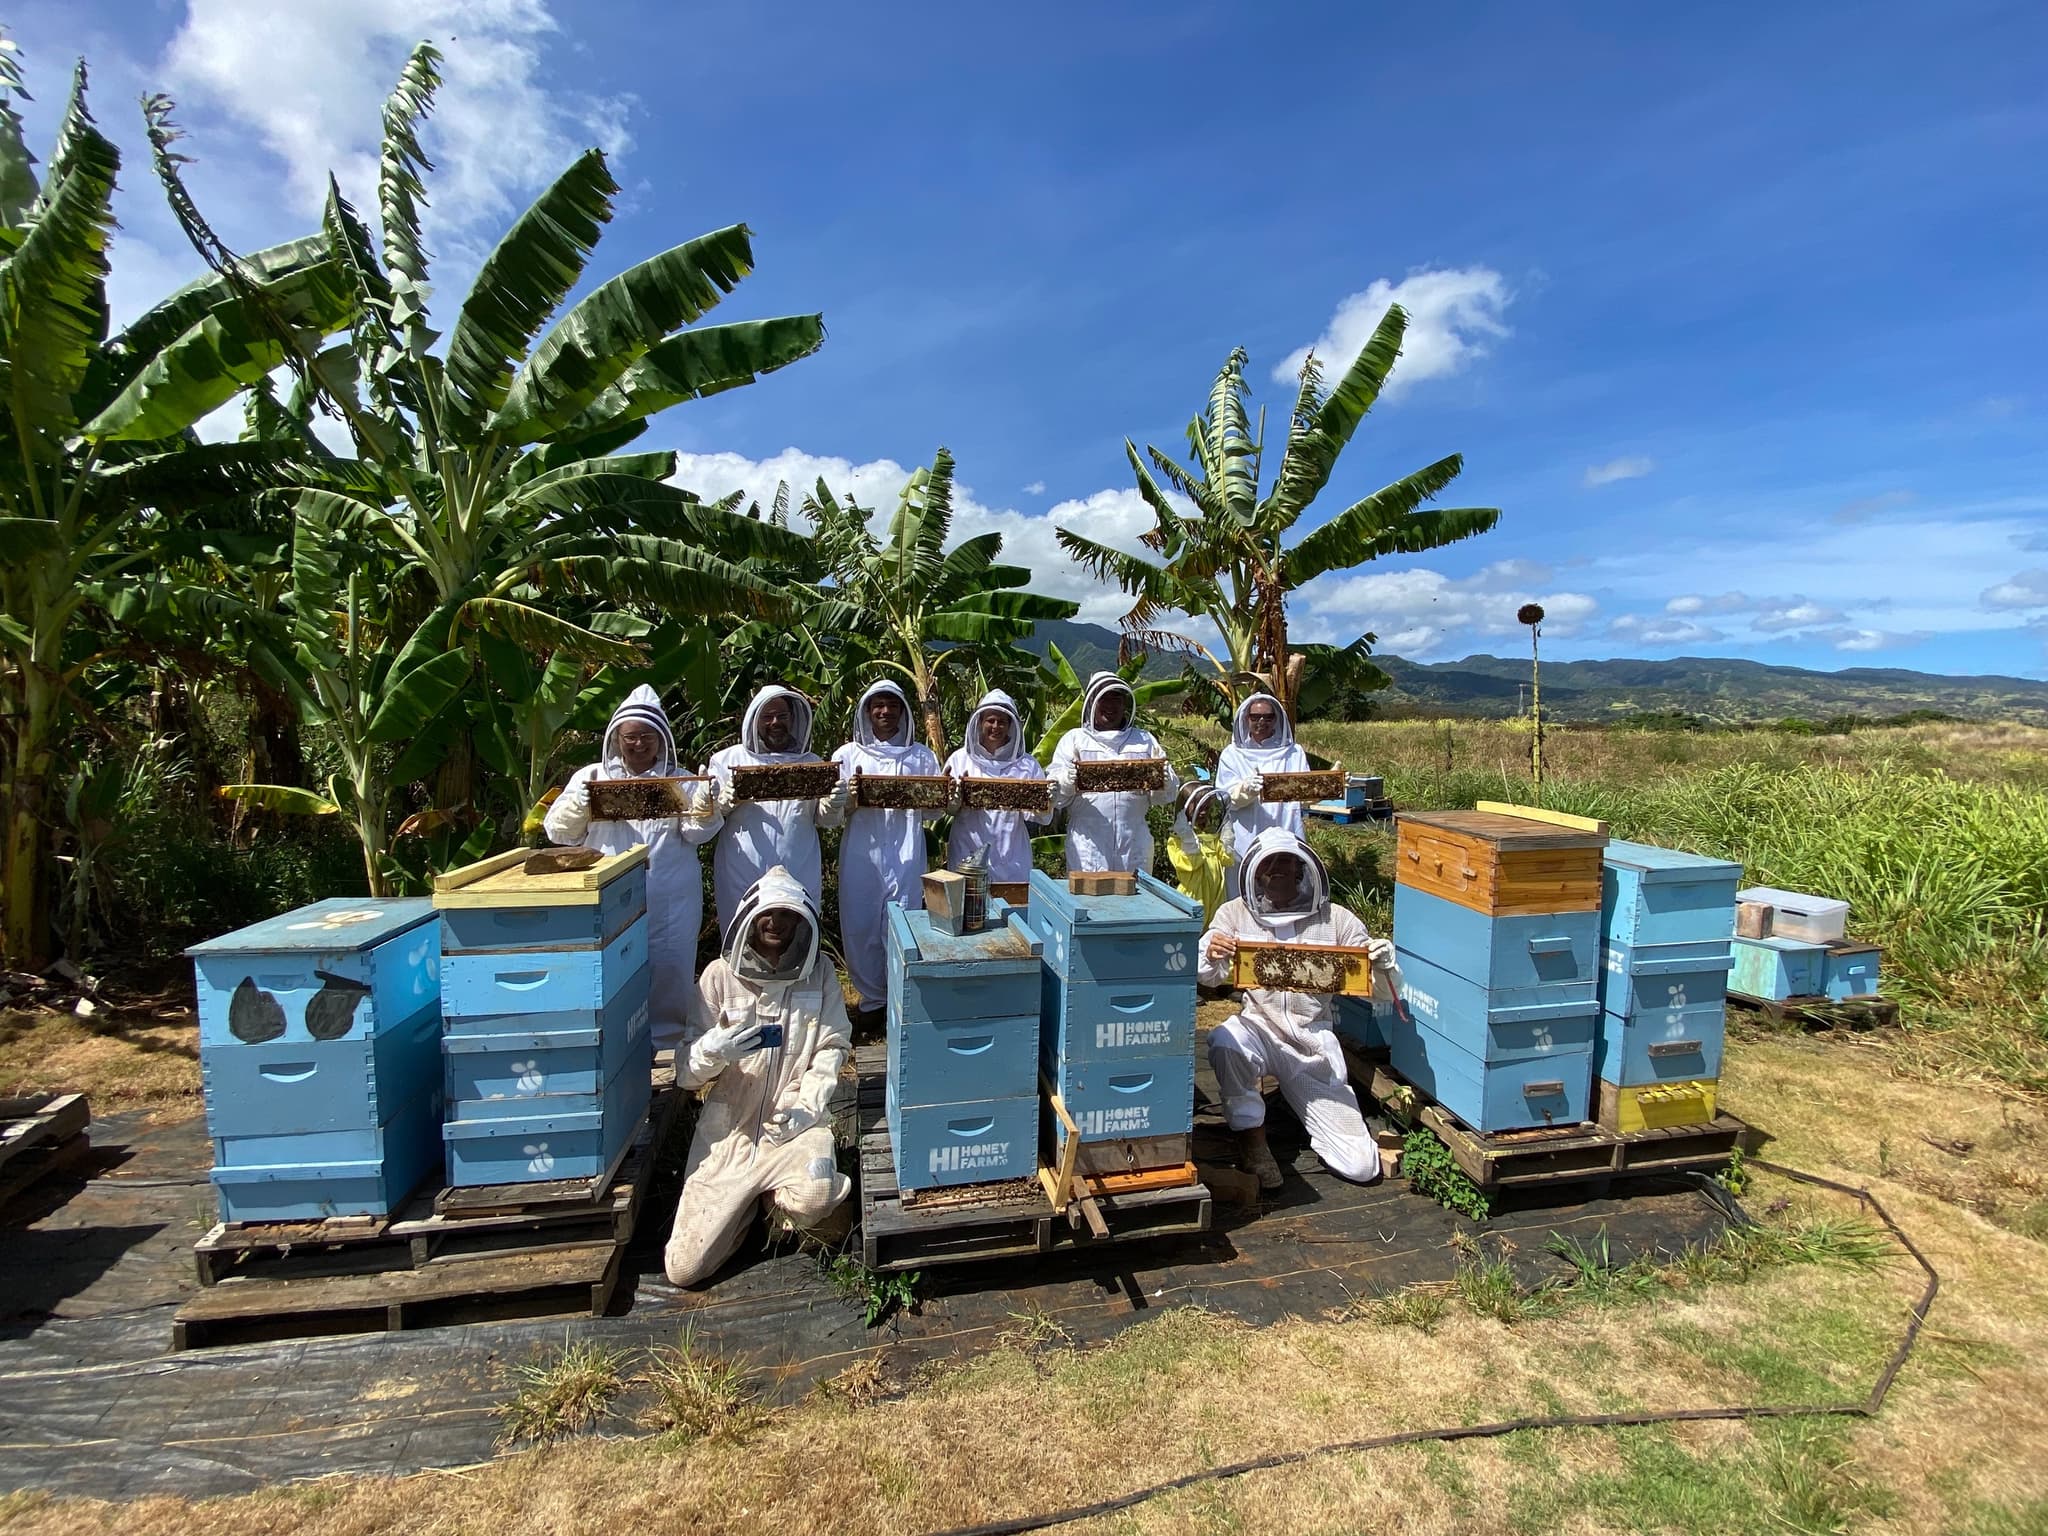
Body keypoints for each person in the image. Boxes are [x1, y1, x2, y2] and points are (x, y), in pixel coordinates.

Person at [663, 866, 852, 1286]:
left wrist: (807, 1108)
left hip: (794, 1127)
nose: (776, 924)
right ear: (748, 918)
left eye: (788, 917)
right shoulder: (717, 977)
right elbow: (686, 1077)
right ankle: (749, 1209)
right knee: (684, 1270)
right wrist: (714, 1049)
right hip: (729, 1132)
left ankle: (776, 1207)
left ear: (802, 924)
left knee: (818, 1191)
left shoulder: (818, 973)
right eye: (768, 914)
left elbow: (833, 1046)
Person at [1198, 828, 1406, 1191]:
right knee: (1225, 1040)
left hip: (1312, 1043)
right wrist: (1210, 950)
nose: (1278, 871)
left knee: (1361, 1167)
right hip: (1258, 1030)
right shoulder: (1235, 913)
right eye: (1269, 865)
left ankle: (1304, 1110)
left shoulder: (1337, 920)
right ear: (1255, 874)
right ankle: (1252, 1140)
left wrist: (1383, 965)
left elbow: (1383, 995)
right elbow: (1206, 974)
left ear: (1302, 870)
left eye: (1287, 863)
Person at [543, 685, 720, 1051]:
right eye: (631, 737)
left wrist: (705, 803)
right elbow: (559, 832)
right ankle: (614, 1044)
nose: (639, 745)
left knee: (670, 964)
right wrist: (579, 802)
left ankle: (669, 1042)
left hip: (670, 894)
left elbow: (698, 833)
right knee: (610, 967)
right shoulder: (590, 777)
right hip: (609, 892)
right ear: (616, 738)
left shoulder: (681, 778)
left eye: (647, 737)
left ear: (661, 738)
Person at [832, 680, 943, 1028]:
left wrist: (943, 795)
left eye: (892, 705)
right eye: (877, 705)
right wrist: (846, 798)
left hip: (908, 853)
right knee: (860, 924)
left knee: (904, 923)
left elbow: (934, 813)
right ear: (867, 711)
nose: (884, 711)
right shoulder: (847, 755)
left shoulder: (921, 756)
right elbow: (831, 814)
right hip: (861, 854)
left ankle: (900, 998)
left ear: (903, 711)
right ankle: (870, 1003)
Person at [708, 685, 847, 935]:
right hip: (741, 869)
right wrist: (722, 804)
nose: (775, 722)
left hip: (799, 866)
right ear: (754, 720)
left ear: (793, 719)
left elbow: (826, 820)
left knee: (797, 941)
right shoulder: (726, 761)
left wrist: (833, 804)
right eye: (767, 716)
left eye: (782, 716)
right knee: (741, 939)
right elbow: (705, 823)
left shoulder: (812, 763)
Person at [1048, 672, 1181, 874]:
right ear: (1092, 701)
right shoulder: (1074, 740)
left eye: (1116, 698)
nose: (1110, 705)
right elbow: (1054, 795)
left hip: (1134, 841)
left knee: (1136, 902)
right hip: (1088, 844)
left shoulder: (1144, 740)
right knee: (1090, 903)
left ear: (1124, 703)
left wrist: (1164, 779)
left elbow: (1164, 797)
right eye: (1104, 698)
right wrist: (1067, 780)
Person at [942, 689, 1051, 885]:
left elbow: (1041, 818)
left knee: (1014, 914)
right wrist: (952, 800)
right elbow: (946, 809)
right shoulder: (959, 759)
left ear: (1011, 725)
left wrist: (1046, 801)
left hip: (1012, 858)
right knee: (968, 912)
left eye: (1002, 721)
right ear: (980, 722)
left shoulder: (1027, 765)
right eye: (990, 720)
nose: (996, 726)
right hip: (967, 853)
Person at [1214, 692, 1310, 893]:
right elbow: (1223, 799)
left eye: (1268, 717)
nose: (1261, 721)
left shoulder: (1293, 753)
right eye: (1255, 717)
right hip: (1245, 835)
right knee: (1243, 893)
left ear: (1276, 719)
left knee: (1287, 892)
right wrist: (1244, 790)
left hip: (1286, 830)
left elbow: (1306, 794)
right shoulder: (1231, 755)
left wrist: (1335, 783)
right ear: (1245, 719)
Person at [1165, 784, 1233, 925]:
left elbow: (1226, 859)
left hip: (1217, 895)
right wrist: (1188, 839)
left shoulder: (1211, 836)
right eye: (1198, 808)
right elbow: (1190, 864)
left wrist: (1227, 839)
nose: (1203, 812)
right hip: (1194, 897)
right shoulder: (1177, 840)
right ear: (1185, 808)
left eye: (1207, 808)